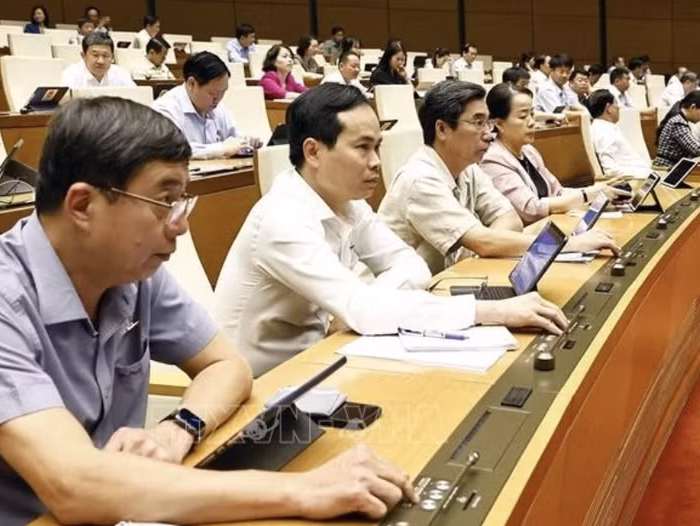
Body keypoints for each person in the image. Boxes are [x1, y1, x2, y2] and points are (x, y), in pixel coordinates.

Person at [0, 96, 420, 524]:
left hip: (119, 505)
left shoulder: (131, 273)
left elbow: (227, 364)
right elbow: (75, 485)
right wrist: (305, 491)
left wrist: (178, 429)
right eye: (164, 201)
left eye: (184, 200)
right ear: (82, 205)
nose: (181, 224)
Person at [215, 84, 569, 377]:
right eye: (362, 148)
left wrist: (367, 303)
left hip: (327, 357)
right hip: (264, 386)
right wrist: (491, 311)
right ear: (314, 151)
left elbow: (412, 266)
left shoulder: (348, 203)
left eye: (377, 147)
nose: (376, 162)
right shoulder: (283, 219)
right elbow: (363, 308)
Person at [377, 81, 619, 274]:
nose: (488, 134)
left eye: (487, 123)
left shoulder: (468, 168)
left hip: (447, 280)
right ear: (442, 129)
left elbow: (510, 219)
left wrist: (486, 244)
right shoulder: (421, 179)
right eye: (478, 123)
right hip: (398, 297)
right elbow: (485, 242)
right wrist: (569, 245)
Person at [481, 83, 630, 224]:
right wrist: (588, 194)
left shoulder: (529, 151)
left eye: (532, 114)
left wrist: (597, 191)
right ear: (498, 124)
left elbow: (558, 192)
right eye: (522, 116)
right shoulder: (492, 159)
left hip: (551, 225)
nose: (531, 122)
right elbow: (531, 209)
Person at [152, 52, 261, 159]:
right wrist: (221, 149)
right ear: (191, 84)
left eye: (223, 92)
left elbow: (233, 138)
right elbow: (170, 149)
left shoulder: (217, 107)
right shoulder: (165, 109)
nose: (218, 99)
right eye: (213, 93)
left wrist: (246, 142)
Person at [588, 89, 652, 178]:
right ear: (608, 108)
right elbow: (611, 170)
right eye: (616, 104)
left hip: (643, 174)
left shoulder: (606, 127)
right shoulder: (603, 132)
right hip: (636, 178)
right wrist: (643, 175)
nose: (618, 107)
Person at [60, 32, 135, 88]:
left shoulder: (121, 73)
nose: (100, 61)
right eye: (95, 55)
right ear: (83, 56)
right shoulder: (71, 74)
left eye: (105, 56)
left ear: (112, 57)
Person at [654, 91, 700, 168]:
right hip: (666, 167)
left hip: (674, 166)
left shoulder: (679, 119)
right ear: (693, 107)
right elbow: (696, 149)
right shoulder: (678, 122)